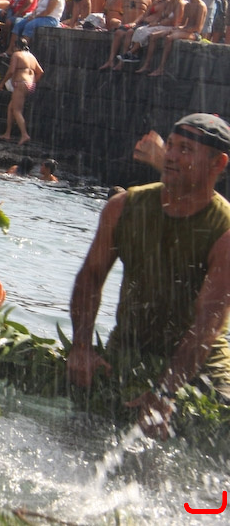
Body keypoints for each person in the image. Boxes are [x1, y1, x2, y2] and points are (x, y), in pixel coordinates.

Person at [67, 113, 230, 440]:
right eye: (170, 145)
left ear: (218, 164)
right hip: (128, 350)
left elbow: (207, 324)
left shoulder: (224, 231)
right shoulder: (122, 207)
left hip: (200, 368)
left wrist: (166, 391)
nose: (170, 156)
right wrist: (81, 347)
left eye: (185, 149)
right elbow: (90, 279)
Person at [0, 37, 44, 145]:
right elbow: (40, 72)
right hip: (30, 84)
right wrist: (32, 82)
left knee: (17, 110)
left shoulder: (16, 54)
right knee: (11, 108)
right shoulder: (31, 56)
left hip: (20, 84)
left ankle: (24, 135)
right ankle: (7, 134)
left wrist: (2, 83)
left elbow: (11, 71)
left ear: (15, 46)